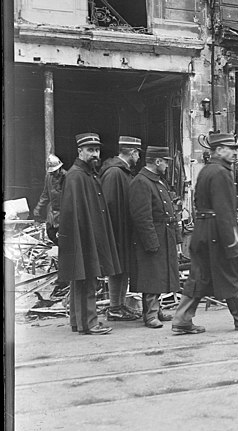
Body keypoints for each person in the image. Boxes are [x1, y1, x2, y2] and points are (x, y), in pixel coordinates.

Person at [170, 132, 238, 334]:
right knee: (229, 276)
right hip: (218, 233)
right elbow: (224, 210)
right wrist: (232, 241)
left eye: (235, 149)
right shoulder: (221, 173)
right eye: (230, 149)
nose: (234, 153)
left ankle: (181, 319)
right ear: (218, 150)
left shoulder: (207, 171)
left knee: (199, 277)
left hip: (203, 231)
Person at [58, 133, 121, 335]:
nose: (95, 154)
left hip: (89, 235)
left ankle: (79, 322)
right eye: (90, 150)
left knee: (82, 278)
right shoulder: (76, 176)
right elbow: (73, 213)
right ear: (80, 151)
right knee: (87, 279)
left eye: (97, 150)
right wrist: (84, 238)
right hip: (84, 237)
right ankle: (90, 323)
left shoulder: (88, 174)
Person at [129, 146, 180, 329]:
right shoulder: (141, 182)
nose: (167, 166)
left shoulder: (156, 181)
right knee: (151, 275)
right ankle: (150, 315)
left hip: (163, 235)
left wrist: (176, 237)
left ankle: (156, 310)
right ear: (157, 161)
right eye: (165, 161)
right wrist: (151, 241)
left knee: (159, 274)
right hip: (153, 236)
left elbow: (169, 210)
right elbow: (142, 217)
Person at [99, 135, 142, 322]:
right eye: (138, 153)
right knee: (117, 269)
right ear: (132, 152)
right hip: (117, 231)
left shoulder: (121, 171)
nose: (139, 157)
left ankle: (119, 305)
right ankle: (115, 307)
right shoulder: (115, 173)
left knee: (122, 268)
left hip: (122, 231)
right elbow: (108, 205)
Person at [33, 154, 67, 245]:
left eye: (54, 172)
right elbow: (45, 194)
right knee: (51, 233)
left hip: (64, 211)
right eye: (51, 172)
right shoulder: (49, 177)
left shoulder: (67, 177)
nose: (53, 174)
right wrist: (38, 207)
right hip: (53, 211)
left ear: (59, 168)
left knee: (64, 236)